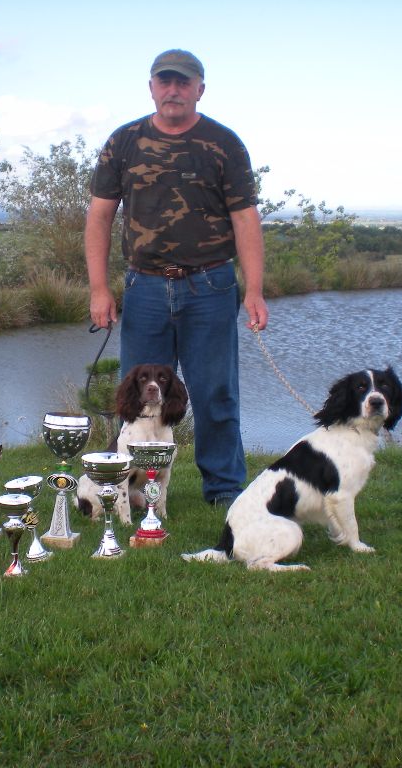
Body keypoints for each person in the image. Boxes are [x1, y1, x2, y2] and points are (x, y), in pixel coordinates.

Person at [85, 48, 269, 509]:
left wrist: (255, 289)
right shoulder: (123, 142)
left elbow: (246, 219)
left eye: (183, 82)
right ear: (151, 87)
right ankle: (131, 490)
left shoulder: (224, 144)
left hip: (210, 285)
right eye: (165, 81)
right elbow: (99, 217)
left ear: (199, 89)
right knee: (135, 399)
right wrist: (99, 288)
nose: (173, 89)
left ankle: (224, 490)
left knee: (215, 395)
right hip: (144, 287)